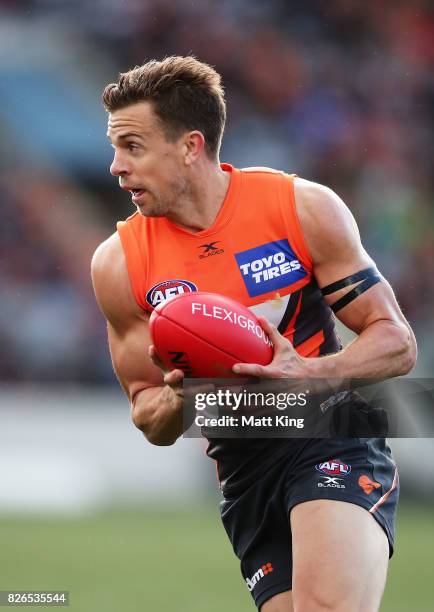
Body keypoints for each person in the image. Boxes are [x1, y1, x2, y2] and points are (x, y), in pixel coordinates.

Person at [91, 56, 417, 612]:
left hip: (328, 433)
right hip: (243, 467)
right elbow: (149, 416)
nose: (117, 166)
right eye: (115, 148)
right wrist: (179, 391)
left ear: (190, 146)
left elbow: (396, 341)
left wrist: (310, 373)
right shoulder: (120, 263)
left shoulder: (300, 207)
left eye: (133, 146)